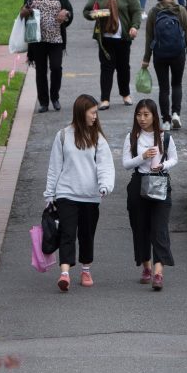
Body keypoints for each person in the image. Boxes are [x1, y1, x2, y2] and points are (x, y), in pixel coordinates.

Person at [44, 94, 115, 292]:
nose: (95, 117)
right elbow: (54, 167)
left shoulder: (98, 138)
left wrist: (105, 185)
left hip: (91, 196)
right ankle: (64, 272)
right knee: (67, 232)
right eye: (92, 113)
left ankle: (85, 269)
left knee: (86, 234)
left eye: (96, 113)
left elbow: (105, 166)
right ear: (81, 112)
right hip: (66, 193)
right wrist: (49, 195)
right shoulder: (63, 136)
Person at [123, 99, 178, 290]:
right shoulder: (132, 137)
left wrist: (162, 165)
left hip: (160, 182)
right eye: (139, 115)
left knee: (159, 228)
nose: (142, 119)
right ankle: (146, 266)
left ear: (154, 116)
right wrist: (142, 157)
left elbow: (174, 159)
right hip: (139, 183)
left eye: (146, 115)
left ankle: (158, 273)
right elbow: (126, 163)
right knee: (140, 228)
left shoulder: (164, 137)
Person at [141, 0, 187, 129]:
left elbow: (149, 37)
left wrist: (146, 59)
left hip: (159, 54)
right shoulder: (180, 10)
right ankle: (176, 113)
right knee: (176, 84)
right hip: (178, 53)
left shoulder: (153, 12)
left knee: (164, 88)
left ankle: (166, 120)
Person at [84, 0, 142, 110]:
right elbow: (86, 12)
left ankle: (125, 94)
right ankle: (105, 99)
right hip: (105, 40)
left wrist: (134, 27)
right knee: (106, 69)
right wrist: (97, 14)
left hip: (123, 39)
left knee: (123, 68)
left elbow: (136, 11)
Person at [20, 0, 75, 113]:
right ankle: (43, 102)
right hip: (38, 40)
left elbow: (70, 13)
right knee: (41, 72)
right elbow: (22, 13)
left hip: (56, 39)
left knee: (56, 68)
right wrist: (26, 11)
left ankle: (55, 97)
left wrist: (65, 12)